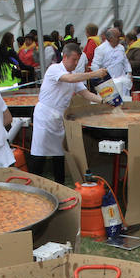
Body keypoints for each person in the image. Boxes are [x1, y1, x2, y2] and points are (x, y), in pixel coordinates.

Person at [29, 43, 106, 185]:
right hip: (45, 116)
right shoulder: (54, 69)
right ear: (65, 57)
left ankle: (60, 185)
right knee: (39, 152)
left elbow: (85, 93)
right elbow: (69, 79)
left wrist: (103, 101)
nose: (76, 63)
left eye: (78, 60)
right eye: (74, 60)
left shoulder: (73, 76)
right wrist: (94, 73)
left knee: (59, 154)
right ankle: (31, 184)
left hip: (58, 118)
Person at [91, 28, 132, 97]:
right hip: (107, 83)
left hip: (122, 81)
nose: (120, 39)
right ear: (110, 38)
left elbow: (125, 62)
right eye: (117, 37)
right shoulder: (100, 49)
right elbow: (95, 65)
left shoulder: (121, 48)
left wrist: (129, 73)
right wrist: (100, 78)